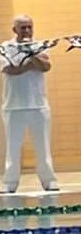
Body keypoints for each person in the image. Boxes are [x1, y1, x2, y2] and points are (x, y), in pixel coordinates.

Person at [1, 16, 58, 195]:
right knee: (13, 147)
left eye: (29, 27)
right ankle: (10, 182)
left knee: (43, 146)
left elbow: (45, 66)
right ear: (15, 30)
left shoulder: (40, 45)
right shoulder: (5, 48)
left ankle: (48, 180)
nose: (26, 31)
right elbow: (11, 69)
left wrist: (30, 56)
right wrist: (30, 62)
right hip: (13, 106)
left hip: (38, 105)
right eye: (23, 28)